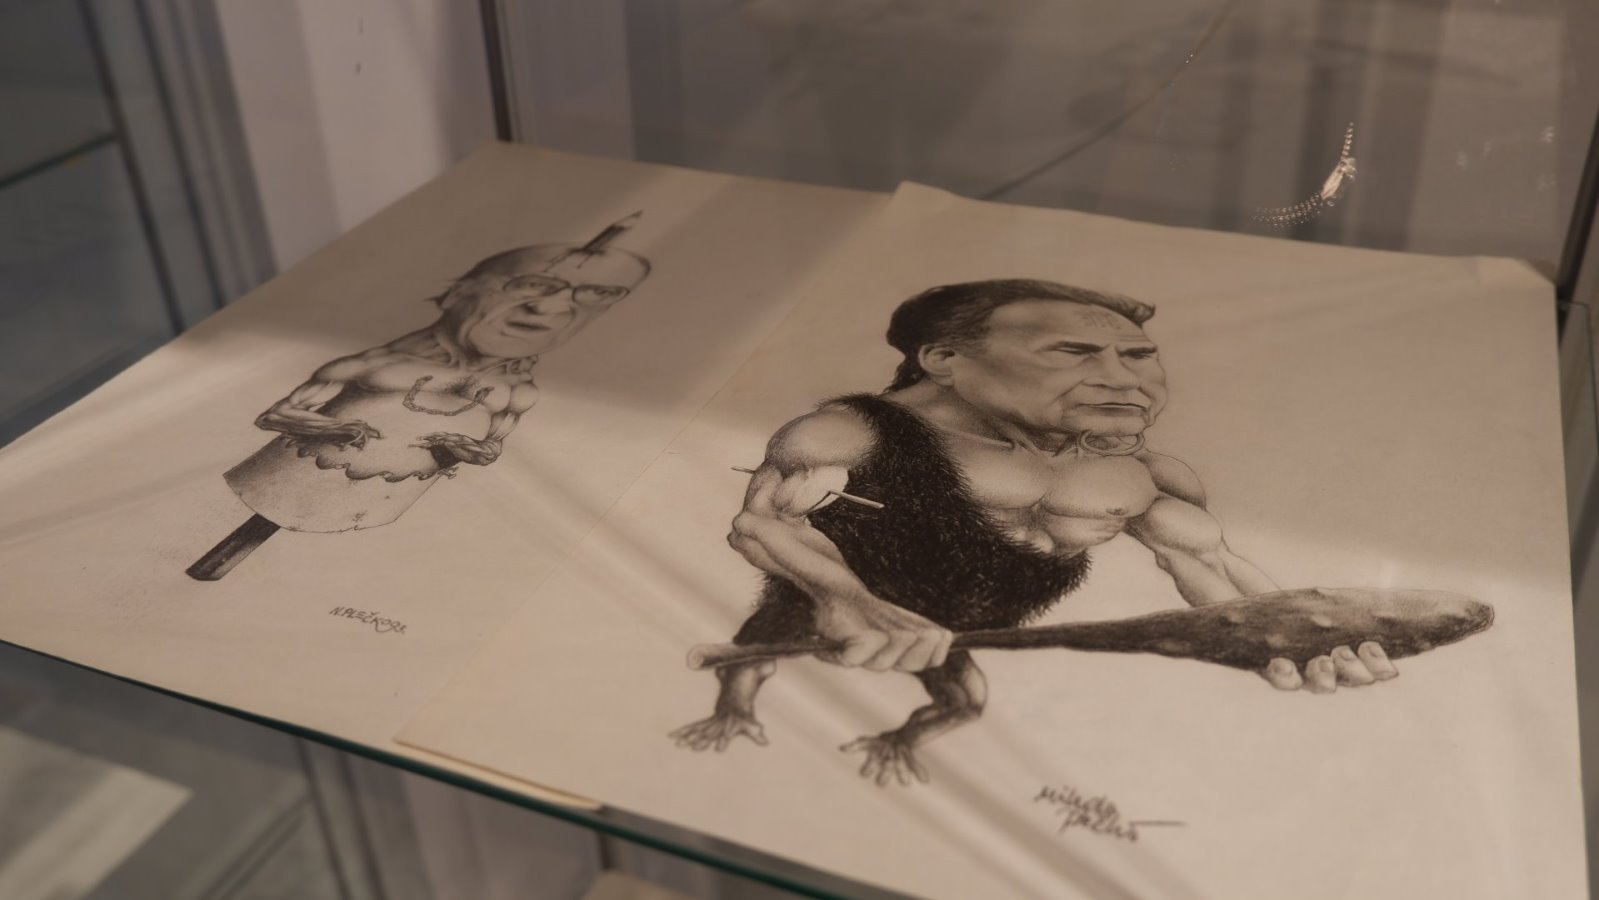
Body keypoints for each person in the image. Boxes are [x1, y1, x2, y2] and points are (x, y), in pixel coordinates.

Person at [672, 278, 1395, 784]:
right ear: (944, 360)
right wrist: (847, 600)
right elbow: (761, 525)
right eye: (1073, 352)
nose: (1125, 378)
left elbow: (1213, 568)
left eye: (1138, 356)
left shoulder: (1139, 475)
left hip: (960, 628)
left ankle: (895, 741)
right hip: (826, 608)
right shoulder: (847, 432)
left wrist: (1293, 638)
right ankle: (733, 717)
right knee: (748, 662)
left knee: (962, 704)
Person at [187, 233, 650, 580]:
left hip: (381, 504)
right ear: (459, 292)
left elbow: (491, 449)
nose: (549, 309)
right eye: (533, 285)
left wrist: (464, 448)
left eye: (594, 295)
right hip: (294, 477)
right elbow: (274, 415)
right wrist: (333, 429)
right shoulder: (377, 363)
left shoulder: (518, 392)